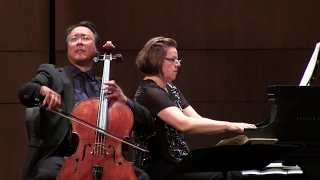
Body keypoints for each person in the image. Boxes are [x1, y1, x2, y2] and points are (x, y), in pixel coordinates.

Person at [18, 21, 153, 180]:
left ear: (96, 48)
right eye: (74, 39)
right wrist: (41, 89)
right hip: (60, 156)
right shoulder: (52, 74)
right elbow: (25, 92)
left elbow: (147, 123)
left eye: (85, 38)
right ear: (68, 48)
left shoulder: (105, 87)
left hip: (105, 158)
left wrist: (124, 100)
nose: (79, 41)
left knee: (141, 177)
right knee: (47, 175)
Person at [132, 36, 257, 180]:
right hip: (161, 169)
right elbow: (184, 124)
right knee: (222, 177)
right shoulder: (149, 92)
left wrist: (235, 127)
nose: (178, 64)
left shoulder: (171, 89)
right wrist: (230, 126)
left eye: (178, 60)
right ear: (157, 60)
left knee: (232, 173)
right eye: (173, 60)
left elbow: (197, 120)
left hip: (178, 163)